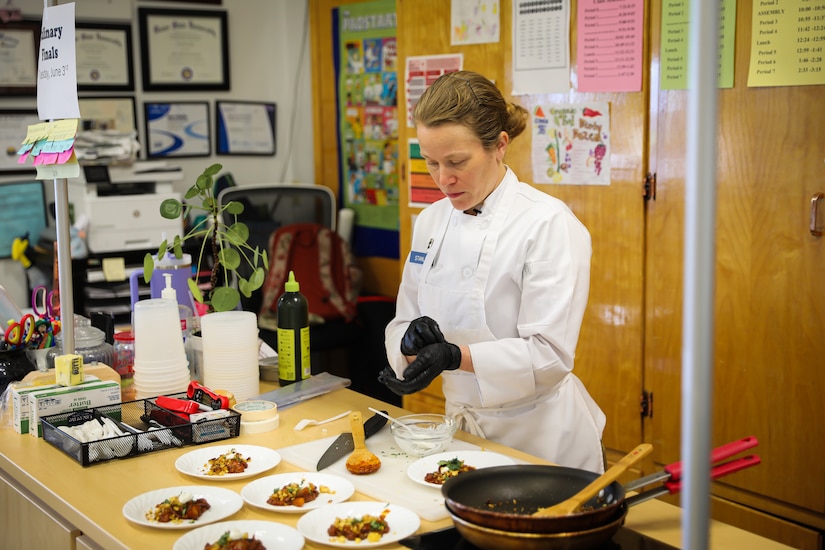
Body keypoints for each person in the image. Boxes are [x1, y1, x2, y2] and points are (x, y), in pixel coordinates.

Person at [379, 70, 606, 473]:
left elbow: (549, 355)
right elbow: (403, 318)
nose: (443, 179)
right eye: (430, 162)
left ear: (499, 146)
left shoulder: (548, 223)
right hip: (461, 432)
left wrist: (455, 356)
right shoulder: (431, 220)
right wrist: (409, 344)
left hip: (539, 437)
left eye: (457, 162)